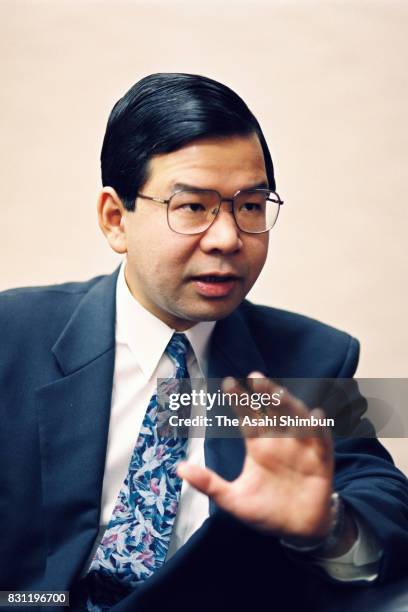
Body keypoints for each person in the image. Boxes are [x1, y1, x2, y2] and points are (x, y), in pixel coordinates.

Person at [0, 73, 407, 612]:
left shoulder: (306, 360)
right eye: (193, 207)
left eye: (251, 206)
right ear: (116, 219)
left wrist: (325, 526)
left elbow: (384, 506)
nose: (227, 238)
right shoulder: (13, 335)